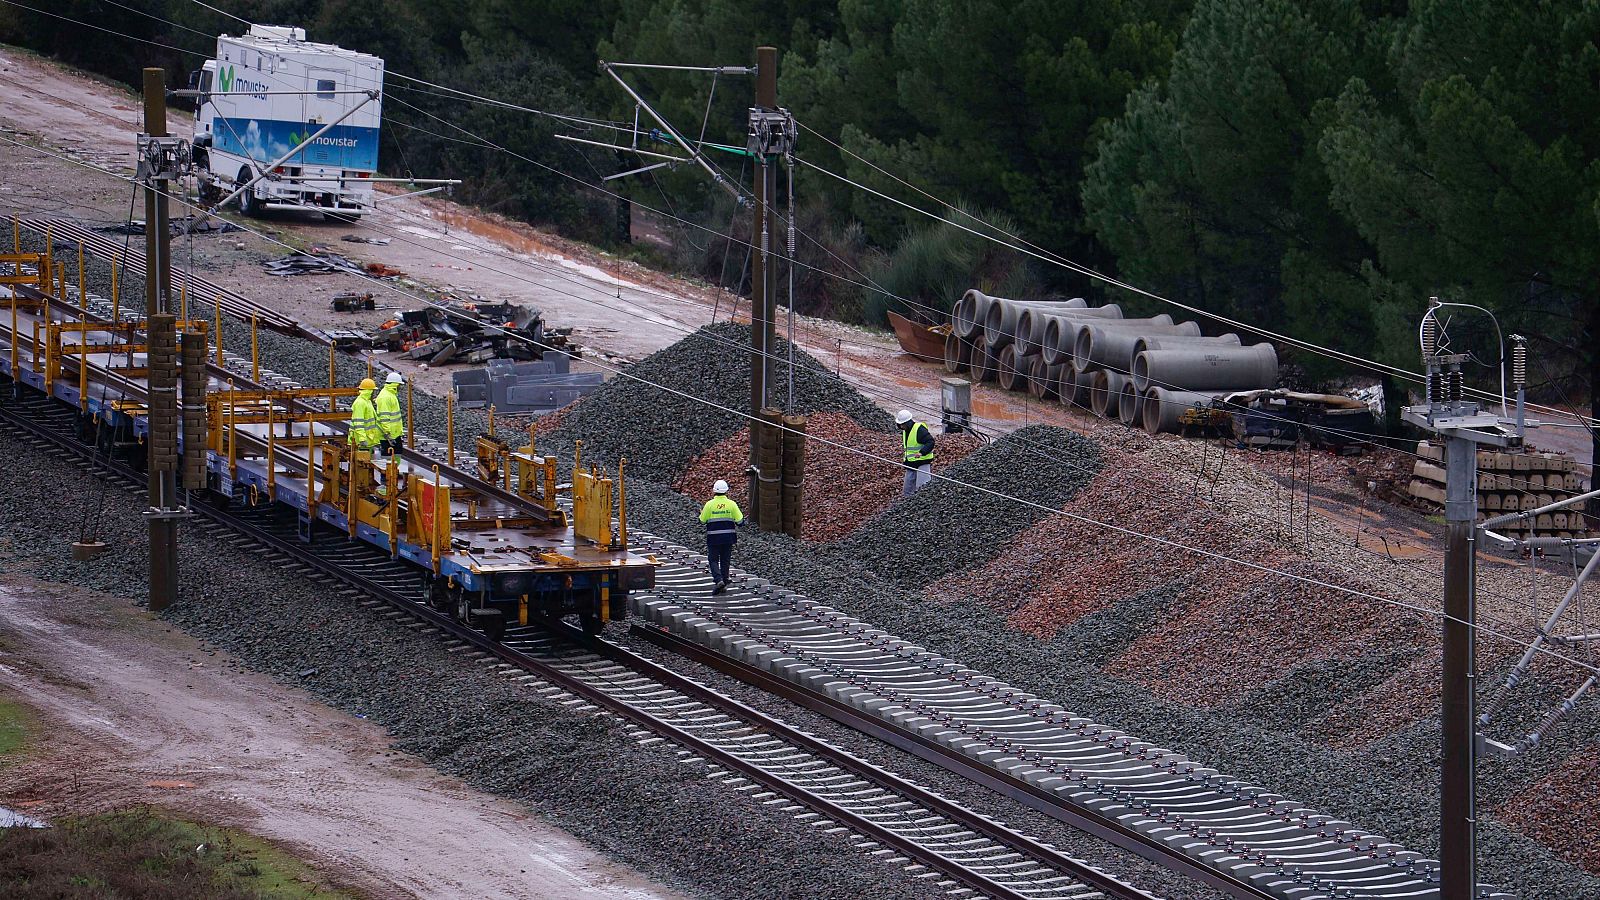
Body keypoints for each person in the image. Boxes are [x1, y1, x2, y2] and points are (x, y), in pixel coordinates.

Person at [698, 479, 743, 594]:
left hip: (714, 538)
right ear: (726, 491)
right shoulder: (731, 504)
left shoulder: (709, 505)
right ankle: (724, 580)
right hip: (728, 538)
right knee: (725, 560)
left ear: (714, 491)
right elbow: (740, 521)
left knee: (713, 559)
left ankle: (718, 580)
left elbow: (702, 521)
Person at [897, 409, 935, 496]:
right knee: (908, 489)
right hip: (911, 462)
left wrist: (922, 452)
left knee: (923, 486)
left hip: (923, 461)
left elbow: (930, 442)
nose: (901, 426)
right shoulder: (905, 431)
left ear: (908, 423)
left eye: (902, 424)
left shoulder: (919, 429)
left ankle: (925, 503)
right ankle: (908, 504)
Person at [348, 377, 381, 454]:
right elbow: (358, 423)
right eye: (373, 390)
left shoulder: (367, 401)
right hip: (361, 442)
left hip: (368, 439)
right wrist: (362, 439)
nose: (374, 393)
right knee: (360, 463)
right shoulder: (360, 403)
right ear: (369, 391)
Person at [375, 371, 405, 456]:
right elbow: (384, 418)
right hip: (388, 436)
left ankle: (395, 469)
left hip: (393, 435)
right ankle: (393, 469)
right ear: (395, 384)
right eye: (399, 385)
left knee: (396, 456)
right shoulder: (386, 397)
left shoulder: (390, 394)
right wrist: (388, 435)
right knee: (389, 460)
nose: (400, 387)